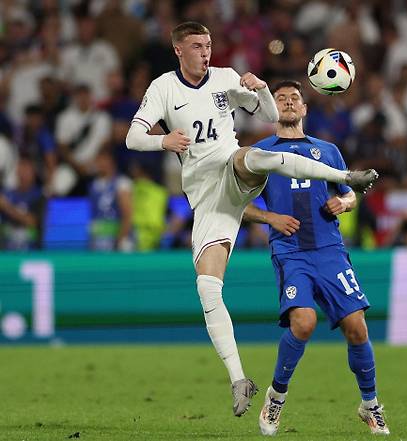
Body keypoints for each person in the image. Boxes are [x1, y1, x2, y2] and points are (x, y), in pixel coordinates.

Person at [124, 22, 378, 418]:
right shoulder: (163, 89)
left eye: (208, 45)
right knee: (208, 288)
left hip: (232, 168)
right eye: (196, 46)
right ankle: (239, 379)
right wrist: (163, 140)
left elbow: (270, 114)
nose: (205, 52)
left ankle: (347, 177)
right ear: (178, 50)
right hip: (208, 200)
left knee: (251, 156)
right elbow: (132, 138)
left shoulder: (225, 79)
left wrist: (259, 89)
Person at [242, 80, 389, 436]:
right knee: (303, 323)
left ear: (305, 109)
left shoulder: (328, 150)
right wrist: (270, 218)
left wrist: (345, 202)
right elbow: (233, 206)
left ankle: (370, 405)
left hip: (330, 251)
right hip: (290, 251)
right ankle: (276, 398)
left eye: (296, 99)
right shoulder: (259, 153)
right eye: (281, 99)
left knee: (357, 327)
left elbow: (350, 193)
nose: (289, 103)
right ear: (271, 108)